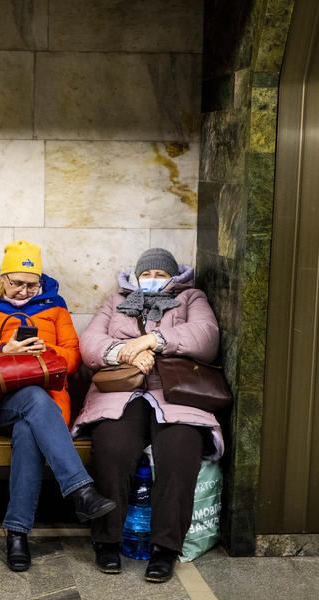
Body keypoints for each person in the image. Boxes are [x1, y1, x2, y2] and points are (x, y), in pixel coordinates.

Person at [0, 240, 116, 572]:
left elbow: (74, 357)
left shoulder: (54, 306)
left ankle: (17, 535)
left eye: (32, 284)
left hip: (47, 401)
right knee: (32, 400)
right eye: (17, 283)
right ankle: (80, 490)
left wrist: (47, 354)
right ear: (2, 279)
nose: (24, 290)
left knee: (29, 426)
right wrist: (6, 348)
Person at [72, 248, 223, 583]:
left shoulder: (190, 297)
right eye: (147, 275)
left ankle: (165, 550)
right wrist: (121, 353)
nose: (153, 280)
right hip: (122, 389)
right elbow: (91, 341)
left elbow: (206, 334)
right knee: (112, 446)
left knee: (181, 449)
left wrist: (153, 341)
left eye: (160, 275)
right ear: (136, 277)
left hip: (176, 393)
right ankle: (107, 541)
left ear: (173, 277)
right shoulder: (115, 301)